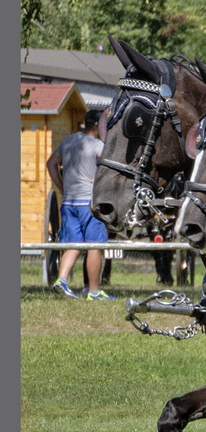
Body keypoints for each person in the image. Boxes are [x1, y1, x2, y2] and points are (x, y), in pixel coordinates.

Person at [45, 109, 115, 299]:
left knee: (73, 244)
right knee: (95, 245)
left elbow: (51, 163)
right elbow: (108, 171)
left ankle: (62, 280)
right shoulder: (98, 145)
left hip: (69, 201)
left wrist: (61, 186)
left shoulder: (68, 141)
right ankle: (93, 291)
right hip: (90, 204)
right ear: (99, 126)